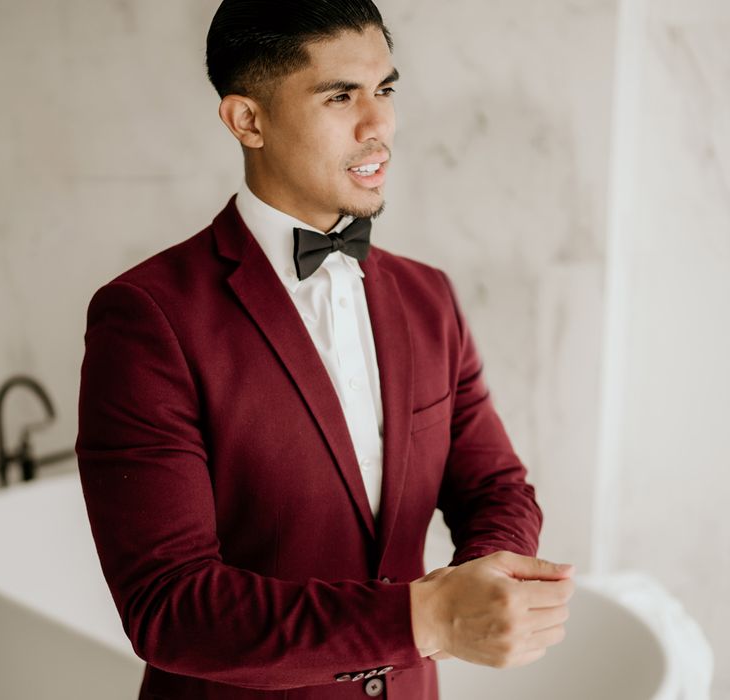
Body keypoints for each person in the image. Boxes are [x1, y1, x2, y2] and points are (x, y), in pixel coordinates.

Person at [75, 1, 575, 698]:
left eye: (386, 90)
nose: (380, 127)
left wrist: (490, 577)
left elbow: (495, 486)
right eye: (341, 96)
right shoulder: (147, 316)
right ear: (248, 120)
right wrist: (424, 618)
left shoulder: (427, 296)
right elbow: (170, 608)